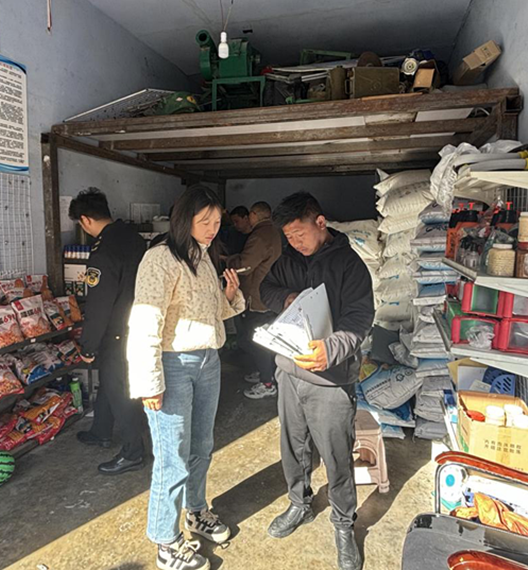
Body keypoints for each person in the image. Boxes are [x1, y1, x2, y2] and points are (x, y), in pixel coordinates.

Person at [127, 185, 245, 570]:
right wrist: (149, 382)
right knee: (172, 458)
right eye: (204, 221)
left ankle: (195, 511)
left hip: (208, 360)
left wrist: (229, 295)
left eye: (217, 221)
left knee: (202, 445)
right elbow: (145, 321)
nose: (212, 228)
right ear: (184, 220)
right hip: (173, 365)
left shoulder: (203, 256)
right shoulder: (160, 259)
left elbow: (210, 314)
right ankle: (166, 541)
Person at [260, 192, 374, 570]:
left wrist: (331, 350)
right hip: (289, 371)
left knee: (336, 455)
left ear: (320, 223)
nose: (295, 242)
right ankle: (299, 504)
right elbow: (266, 289)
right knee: (293, 447)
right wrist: (287, 297)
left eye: (300, 233)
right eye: (288, 236)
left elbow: (359, 319)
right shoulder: (289, 261)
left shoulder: (350, 265)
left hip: (330, 379)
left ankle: (343, 524)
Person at [68, 188, 147, 475]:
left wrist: (88, 346)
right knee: (111, 382)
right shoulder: (133, 238)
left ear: (85, 220)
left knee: (120, 390)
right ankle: (101, 431)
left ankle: (133, 452)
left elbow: (99, 305)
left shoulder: (102, 253)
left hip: (118, 332)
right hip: (140, 323)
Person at [224, 202, 283, 399]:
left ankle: (267, 382)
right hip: (270, 294)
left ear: (254, 215)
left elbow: (245, 265)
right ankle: (265, 372)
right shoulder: (274, 232)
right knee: (262, 339)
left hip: (257, 296)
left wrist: (229, 260)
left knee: (255, 340)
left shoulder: (259, 236)